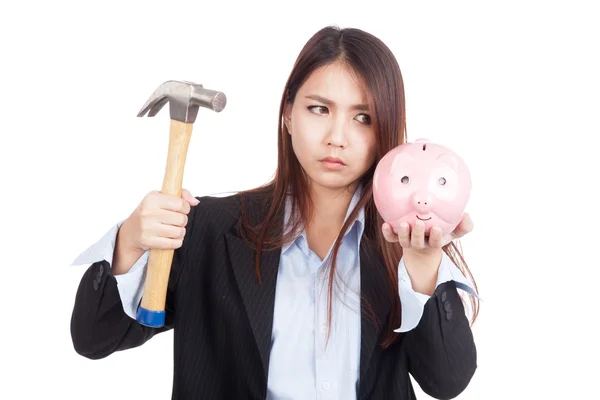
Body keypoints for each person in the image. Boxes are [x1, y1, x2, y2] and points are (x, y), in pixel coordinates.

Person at [70, 25, 480, 400]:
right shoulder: (210, 230)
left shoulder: (404, 243)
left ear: (385, 130)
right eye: (319, 109)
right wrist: (130, 242)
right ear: (288, 114)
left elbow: (446, 382)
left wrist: (424, 267)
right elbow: (93, 338)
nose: (337, 137)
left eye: (363, 117)